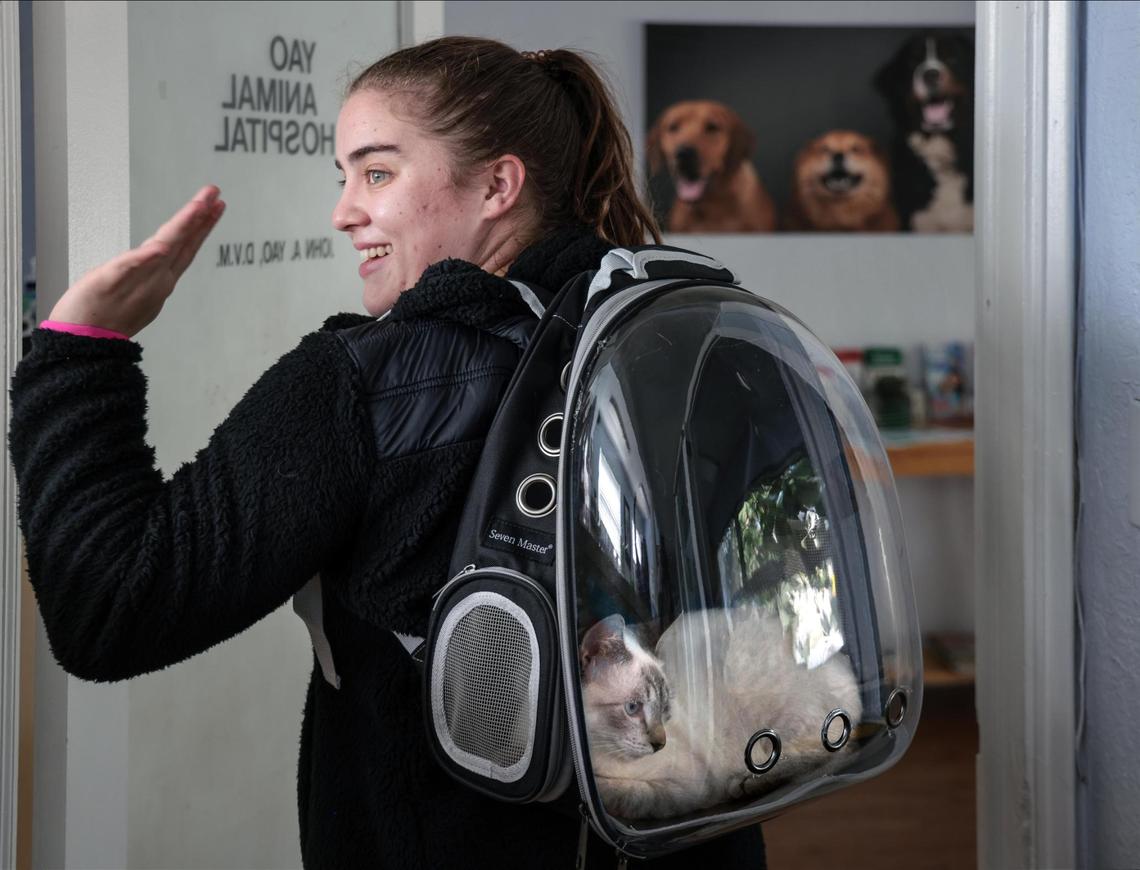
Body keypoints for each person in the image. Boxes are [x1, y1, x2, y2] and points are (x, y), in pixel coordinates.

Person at [8, 37, 766, 869]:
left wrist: (82, 349)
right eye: (344, 177)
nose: (344, 212)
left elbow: (108, 609)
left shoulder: (365, 385)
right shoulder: (693, 340)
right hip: (694, 839)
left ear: (498, 185)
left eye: (376, 173)